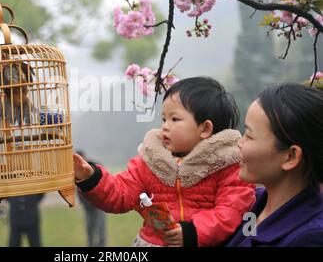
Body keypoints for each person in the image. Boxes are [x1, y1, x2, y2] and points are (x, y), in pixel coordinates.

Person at [74, 77, 255, 247]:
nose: (165, 126)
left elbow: (231, 212)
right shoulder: (151, 161)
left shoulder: (228, 166)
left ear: (205, 128)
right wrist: (91, 178)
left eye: (175, 119)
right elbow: (120, 194)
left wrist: (193, 232)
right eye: (164, 119)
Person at [226, 83, 323, 246]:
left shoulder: (309, 238)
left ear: (290, 157)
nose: (239, 143)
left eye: (249, 136)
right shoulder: (254, 204)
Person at [76, 150, 107, 247]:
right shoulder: (76, 169)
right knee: (89, 228)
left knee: (100, 227)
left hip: (98, 205)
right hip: (87, 206)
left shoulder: (94, 166)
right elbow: (77, 188)